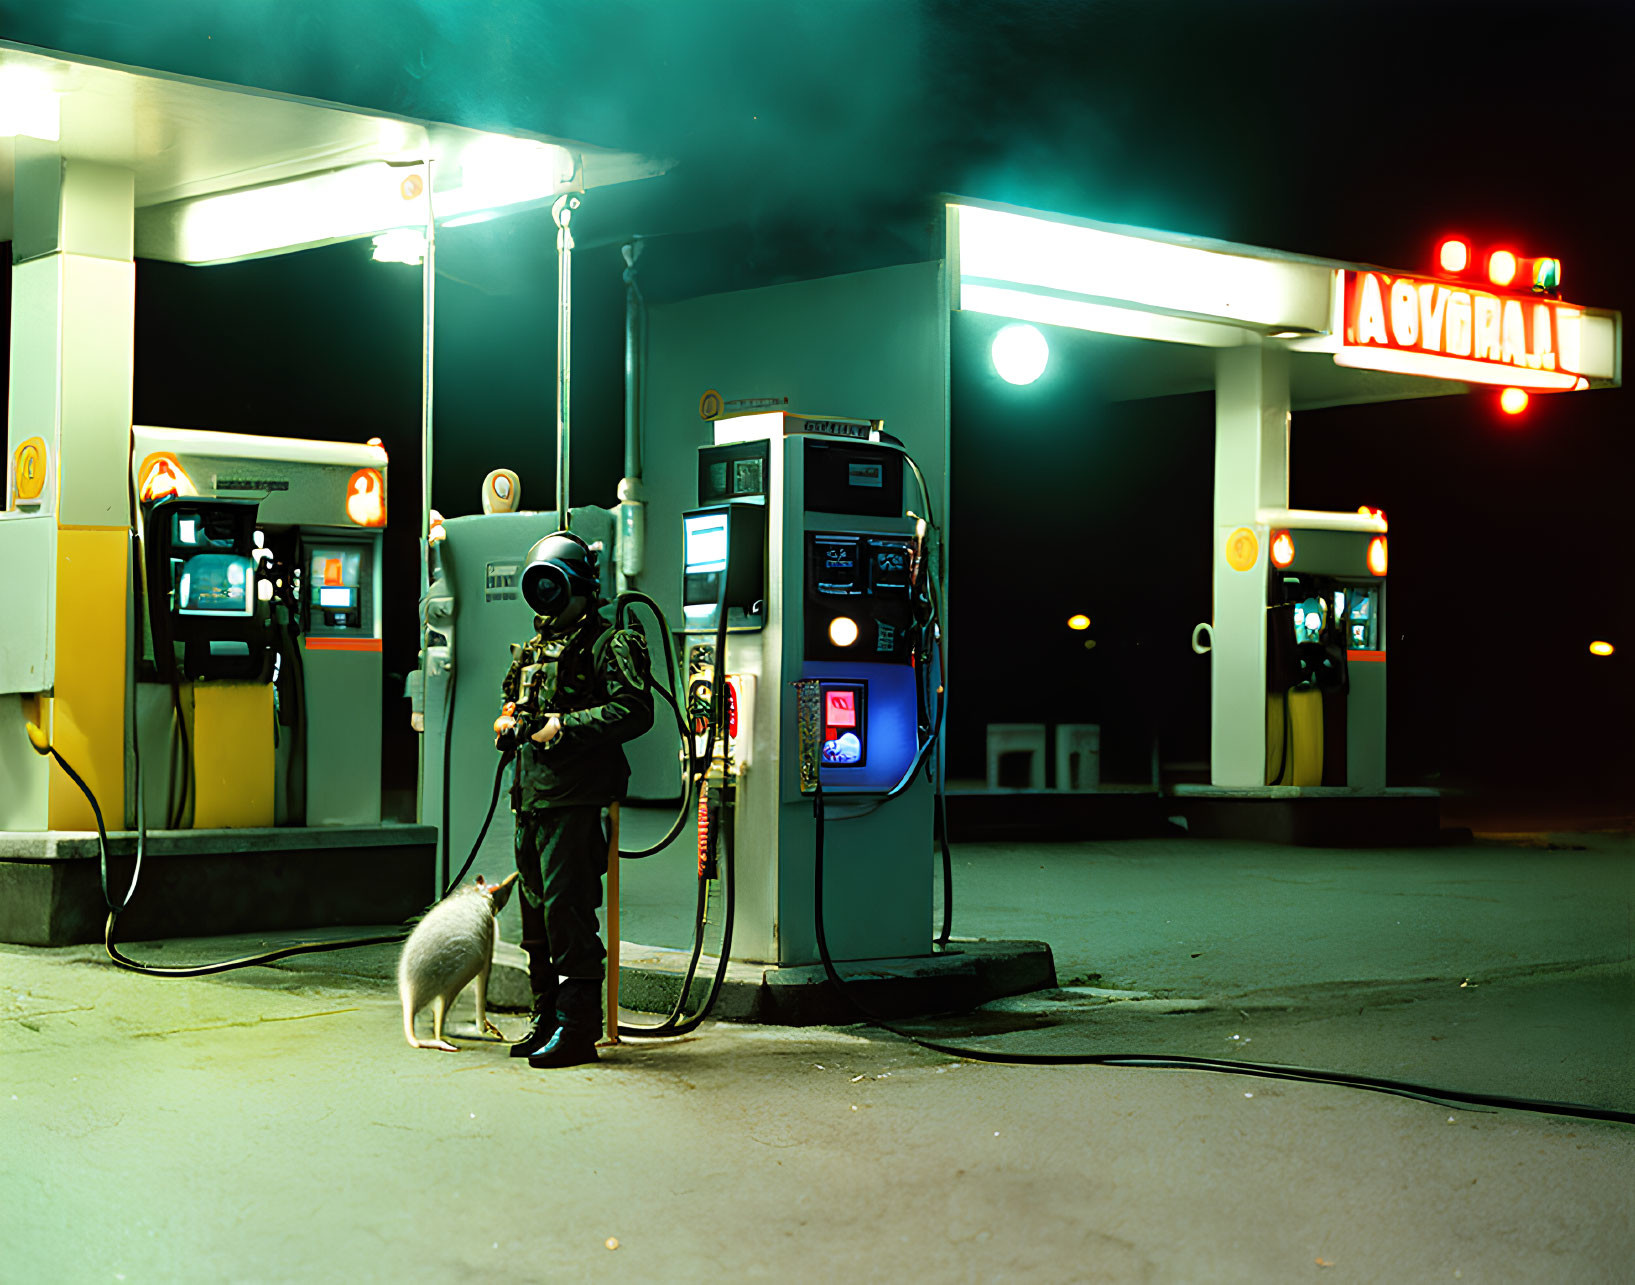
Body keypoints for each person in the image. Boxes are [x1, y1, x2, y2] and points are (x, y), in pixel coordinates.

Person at [494, 531, 653, 1068]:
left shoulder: (614, 644)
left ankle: (578, 1026)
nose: (546, 599)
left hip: (577, 798)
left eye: (555, 586)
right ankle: (546, 1017)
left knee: (567, 911)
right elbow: (511, 700)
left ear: (582, 588)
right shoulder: (535, 648)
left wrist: (564, 725)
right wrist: (510, 721)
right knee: (535, 914)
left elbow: (634, 709)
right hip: (532, 795)